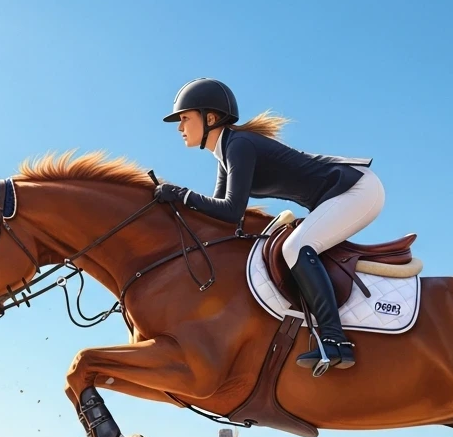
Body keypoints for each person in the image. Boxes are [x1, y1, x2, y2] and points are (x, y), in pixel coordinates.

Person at [156, 77, 385, 372]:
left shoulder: (238, 146)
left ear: (210, 118)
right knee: (293, 245)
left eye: (185, 118)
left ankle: (334, 340)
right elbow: (220, 218)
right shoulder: (227, 153)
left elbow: (231, 210)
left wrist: (182, 194)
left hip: (357, 189)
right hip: (342, 193)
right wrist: (174, 206)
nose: (179, 128)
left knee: (296, 247)